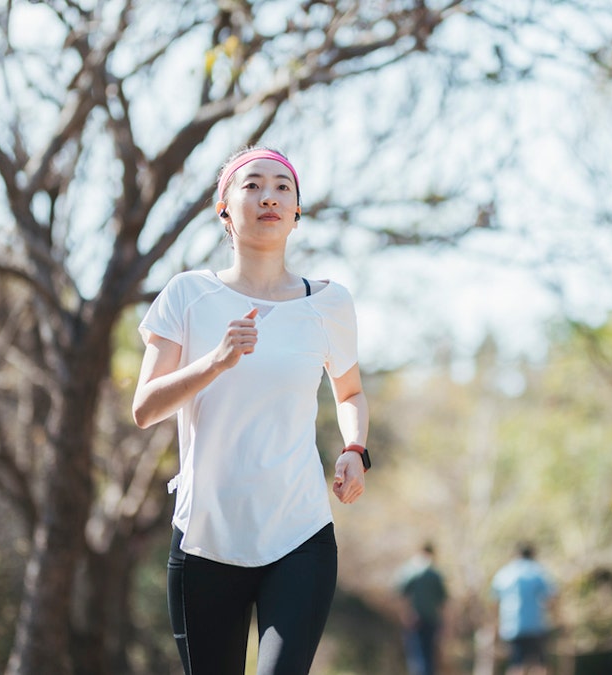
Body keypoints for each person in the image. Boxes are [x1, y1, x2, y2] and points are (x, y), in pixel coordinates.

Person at [131, 146, 371, 675]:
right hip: (207, 537)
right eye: (253, 185)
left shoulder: (328, 304)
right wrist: (215, 362)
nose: (270, 196)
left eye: (283, 187)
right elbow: (145, 408)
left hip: (299, 532)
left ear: (297, 212)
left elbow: (349, 392)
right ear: (224, 208)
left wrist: (356, 449)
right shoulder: (188, 295)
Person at [490, 542, 559, 675]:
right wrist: (557, 619)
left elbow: (495, 601)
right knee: (541, 664)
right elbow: (552, 598)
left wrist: (495, 627)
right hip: (536, 626)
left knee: (516, 664)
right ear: (533, 554)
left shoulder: (504, 573)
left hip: (511, 626)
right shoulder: (539, 571)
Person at [394, 542, 448, 675]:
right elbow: (443, 601)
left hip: (415, 620)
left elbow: (400, 594)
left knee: (417, 658)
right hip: (431, 619)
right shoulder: (436, 574)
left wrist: (405, 615)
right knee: (428, 657)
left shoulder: (411, 571)